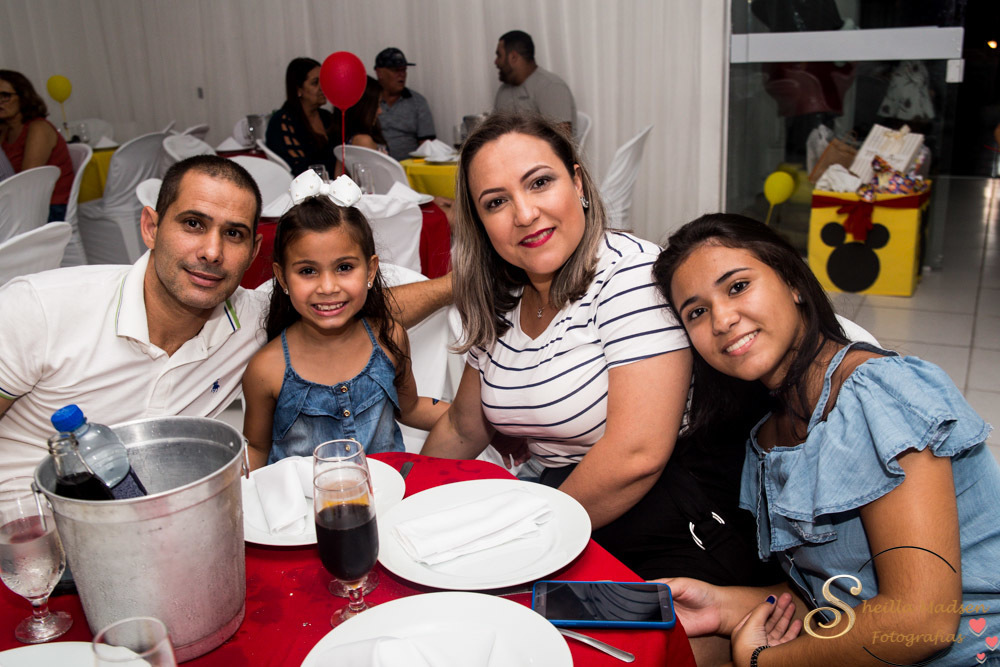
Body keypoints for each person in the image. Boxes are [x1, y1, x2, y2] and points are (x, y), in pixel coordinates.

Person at [652, 213, 1000, 667]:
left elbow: (922, 622)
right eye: (696, 312)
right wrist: (720, 605)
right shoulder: (769, 435)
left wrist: (761, 662)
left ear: (793, 282)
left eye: (737, 286)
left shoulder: (878, 393)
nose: (722, 319)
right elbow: (836, 595)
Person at [0, 156, 453, 480]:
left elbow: (363, 314)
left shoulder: (253, 319)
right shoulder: (38, 309)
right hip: (26, 531)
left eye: (233, 233)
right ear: (151, 227)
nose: (212, 252)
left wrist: (460, 285)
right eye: (193, 224)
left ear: (253, 251)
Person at [419, 113, 701, 575]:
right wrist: (411, 501)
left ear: (578, 183)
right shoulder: (505, 296)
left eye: (539, 183)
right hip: (551, 495)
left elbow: (637, 455)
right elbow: (463, 428)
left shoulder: (632, 275)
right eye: (496, 202)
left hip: (651, 516)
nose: (524, 214)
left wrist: (526, 535)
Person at [241, 172, 448, 469]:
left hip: (389, 489)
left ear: (371, 270)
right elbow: (257, 448)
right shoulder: (266, 369)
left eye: (344, 267)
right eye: (308, 271)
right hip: (304, 497)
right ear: (282, 278)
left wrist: (479, 417)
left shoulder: (390, 337)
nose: (328, 287)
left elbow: (411, 407)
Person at [0, 70, 74, 221]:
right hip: (21, 205)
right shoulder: (5, 130)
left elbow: (27, 182)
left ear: (23, 97)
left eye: (5, 95)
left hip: (50, 207)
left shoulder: (38, 128)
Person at [493, 31, 576, 135]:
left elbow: (561, 139)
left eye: (499, 55)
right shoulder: (503, 91)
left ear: (513, 57)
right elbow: (495, 132)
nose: (496, 62)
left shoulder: (551, 87)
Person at [265, 57, 338, 176]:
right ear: (298, 90)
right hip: (307, 184)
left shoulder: (326, 116)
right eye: (315, 83)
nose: (323, 87)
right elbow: (299, 168)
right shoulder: (283, 122)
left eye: (324, 81)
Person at [373, 47, 436, 162]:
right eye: (396, 70)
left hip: (408, 167)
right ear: (379, 73)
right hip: (374, 165)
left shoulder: (418, 102)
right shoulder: (368, 102)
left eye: (404, 70)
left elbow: (427, 146)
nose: (401, 75)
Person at [332, 76, 389, 158]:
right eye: (376, 106)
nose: (380, 111)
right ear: (362, 108)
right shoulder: (363, 140)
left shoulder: (346, 137)